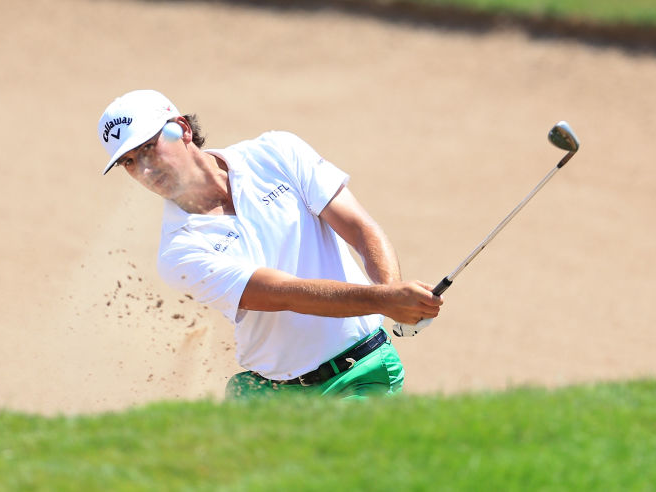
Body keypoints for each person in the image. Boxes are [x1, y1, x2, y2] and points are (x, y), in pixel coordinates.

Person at [97, 89, 443, 400]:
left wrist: (393, 292)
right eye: (128, 162)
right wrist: (386, 300)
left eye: (148, 149)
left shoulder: (276, 153)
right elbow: (285, 294)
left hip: (361, 374)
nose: (143, 170)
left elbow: (358, 226)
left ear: (183, 129)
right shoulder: (179, 251)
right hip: (273, 394)